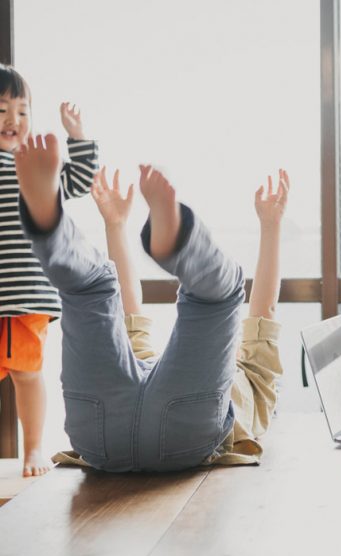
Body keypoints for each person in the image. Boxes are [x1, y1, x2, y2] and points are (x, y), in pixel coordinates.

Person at [14, 132, 286, 472]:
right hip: (113, 438)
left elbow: (130, 311)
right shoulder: (256, 382)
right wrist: (271, 226)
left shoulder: (149, 355)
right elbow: (267, 311)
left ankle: (53, 226)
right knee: (87, 290)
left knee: (214, 295)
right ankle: (53, 229)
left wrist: (115, 225)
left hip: (108, 426)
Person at [0, 64, 99, 476]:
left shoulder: (34, 163)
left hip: (28, 295)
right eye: (2, 109)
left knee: (27, 375)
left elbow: (78, 181)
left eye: (23, 111)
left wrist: (77, 137)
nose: (13, 120)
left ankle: (33, 450)